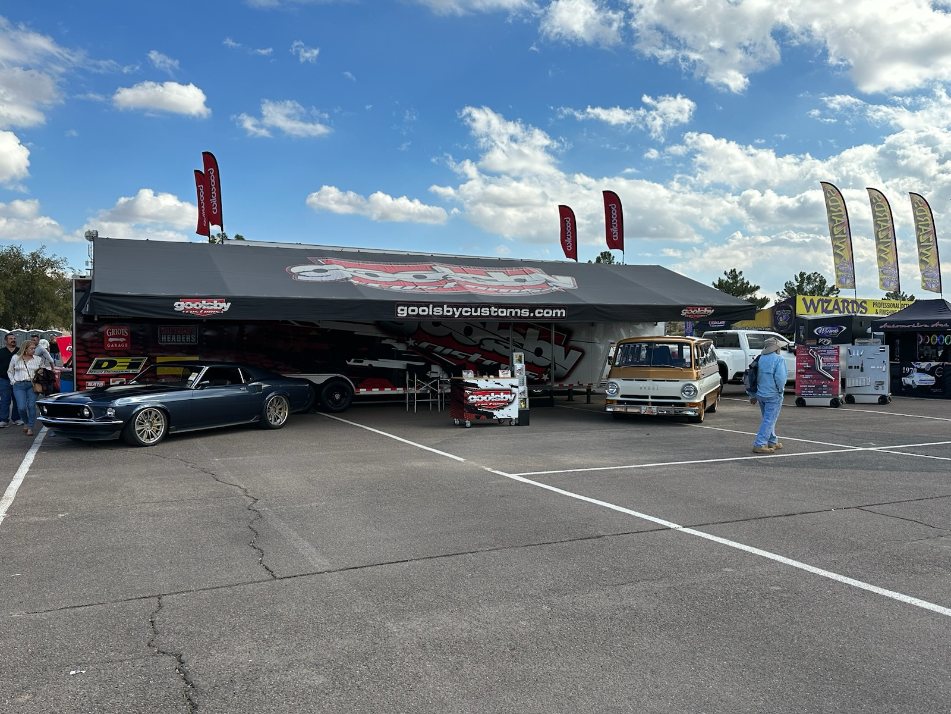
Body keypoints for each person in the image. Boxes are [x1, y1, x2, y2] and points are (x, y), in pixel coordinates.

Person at [748, 336, 788, 454]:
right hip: (773, 394)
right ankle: (759, 444)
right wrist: (781, 391)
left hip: (760, 394)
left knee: (767, 418)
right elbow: (780, 378)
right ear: (776, 348)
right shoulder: (778, 359)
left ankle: (773, 441)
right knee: (769, 420)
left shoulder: (759, 358)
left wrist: (752, 394)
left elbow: (751, 377)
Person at [8, 340, 52, 437]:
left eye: (34, 348)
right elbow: (10, 371)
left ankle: (30, 427)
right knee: (21, 407)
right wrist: (13, 381)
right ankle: (26, 422)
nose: (34, 350)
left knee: (31, 406)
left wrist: (41, 373)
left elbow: (43, 371)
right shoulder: (15, 358)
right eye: (31, 348)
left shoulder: (37, 359)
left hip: (32, 385)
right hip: (18, 385)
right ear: (25, 349)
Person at [0, 333, 23, 427]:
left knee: (17, 400)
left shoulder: (20, 352)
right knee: (5, 400)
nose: (13, 340)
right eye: (10, 339)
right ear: (6, 340)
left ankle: (16, 418)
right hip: (4, 380)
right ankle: (3, 420)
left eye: (14, 338)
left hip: (18, 380)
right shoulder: (1, 352)